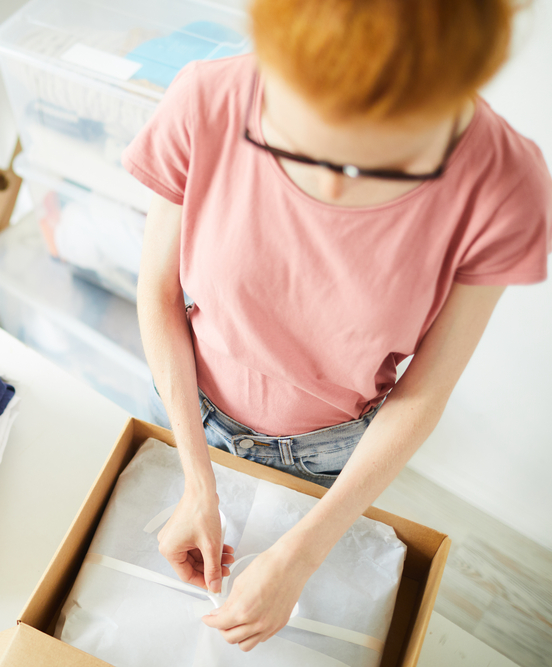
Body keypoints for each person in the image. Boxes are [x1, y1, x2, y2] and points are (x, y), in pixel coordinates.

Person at [125, 0, 551, 653]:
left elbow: (424, 394)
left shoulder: (502, 187)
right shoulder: (209, 99)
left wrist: (302, 553)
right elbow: (157, 294)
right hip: (183, 402)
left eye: (377, 160)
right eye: (294, 139)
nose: (329, 185)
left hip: (330, 456)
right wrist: (195, 477)